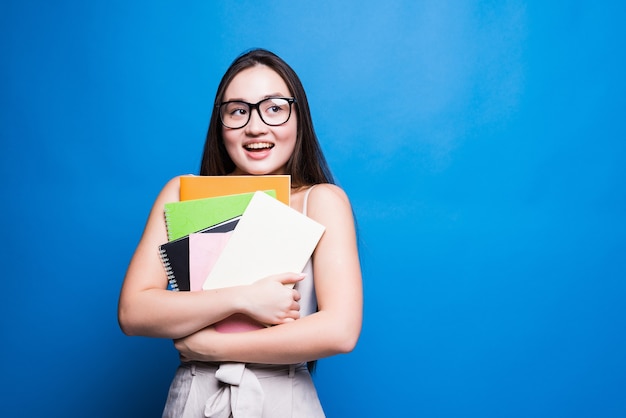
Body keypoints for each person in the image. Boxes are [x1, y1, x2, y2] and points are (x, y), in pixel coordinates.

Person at [118, 48, 363, 418]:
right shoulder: (182, 193)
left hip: (282, 403)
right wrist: (243, 298)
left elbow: (340, 330)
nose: (256, 126)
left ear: (299, 119)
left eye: (275, 108)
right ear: (221, 123)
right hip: (195, 399)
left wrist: (211, 347)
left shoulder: (321, 200)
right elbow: (134, 311)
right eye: (238, 111)